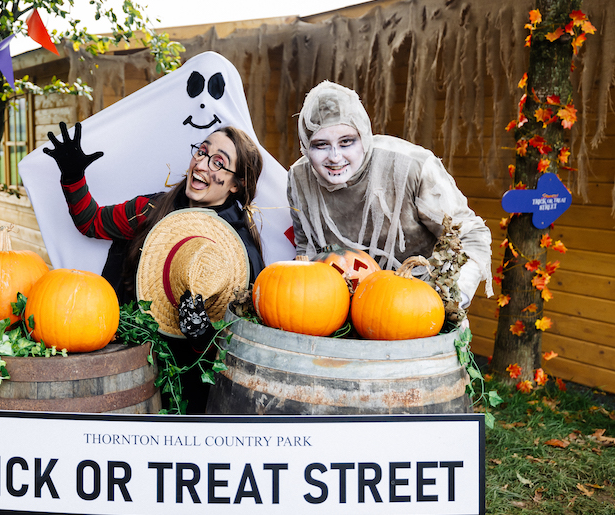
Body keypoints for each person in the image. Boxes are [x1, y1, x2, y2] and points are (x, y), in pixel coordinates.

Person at [44, 121, 265, 411]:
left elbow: (242, 350)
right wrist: (73, 176)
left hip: (189, 392)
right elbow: (91, 221)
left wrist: (201, 338)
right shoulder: (150, 210)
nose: (201, 164)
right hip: (130, 372)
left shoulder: (243, 253)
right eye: (201, 151)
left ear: (237, 184)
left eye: (218, 162)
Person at [287, 81, 493, 307]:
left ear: (363, 137)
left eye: (346, 142)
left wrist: (452, 298)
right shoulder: (299, 178)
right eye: (321, 145)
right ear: (306, 146)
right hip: (341, 307)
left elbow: (470, 234)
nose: (335, 157)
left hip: (420, 303)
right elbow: (307, 248)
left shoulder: (410, 166)